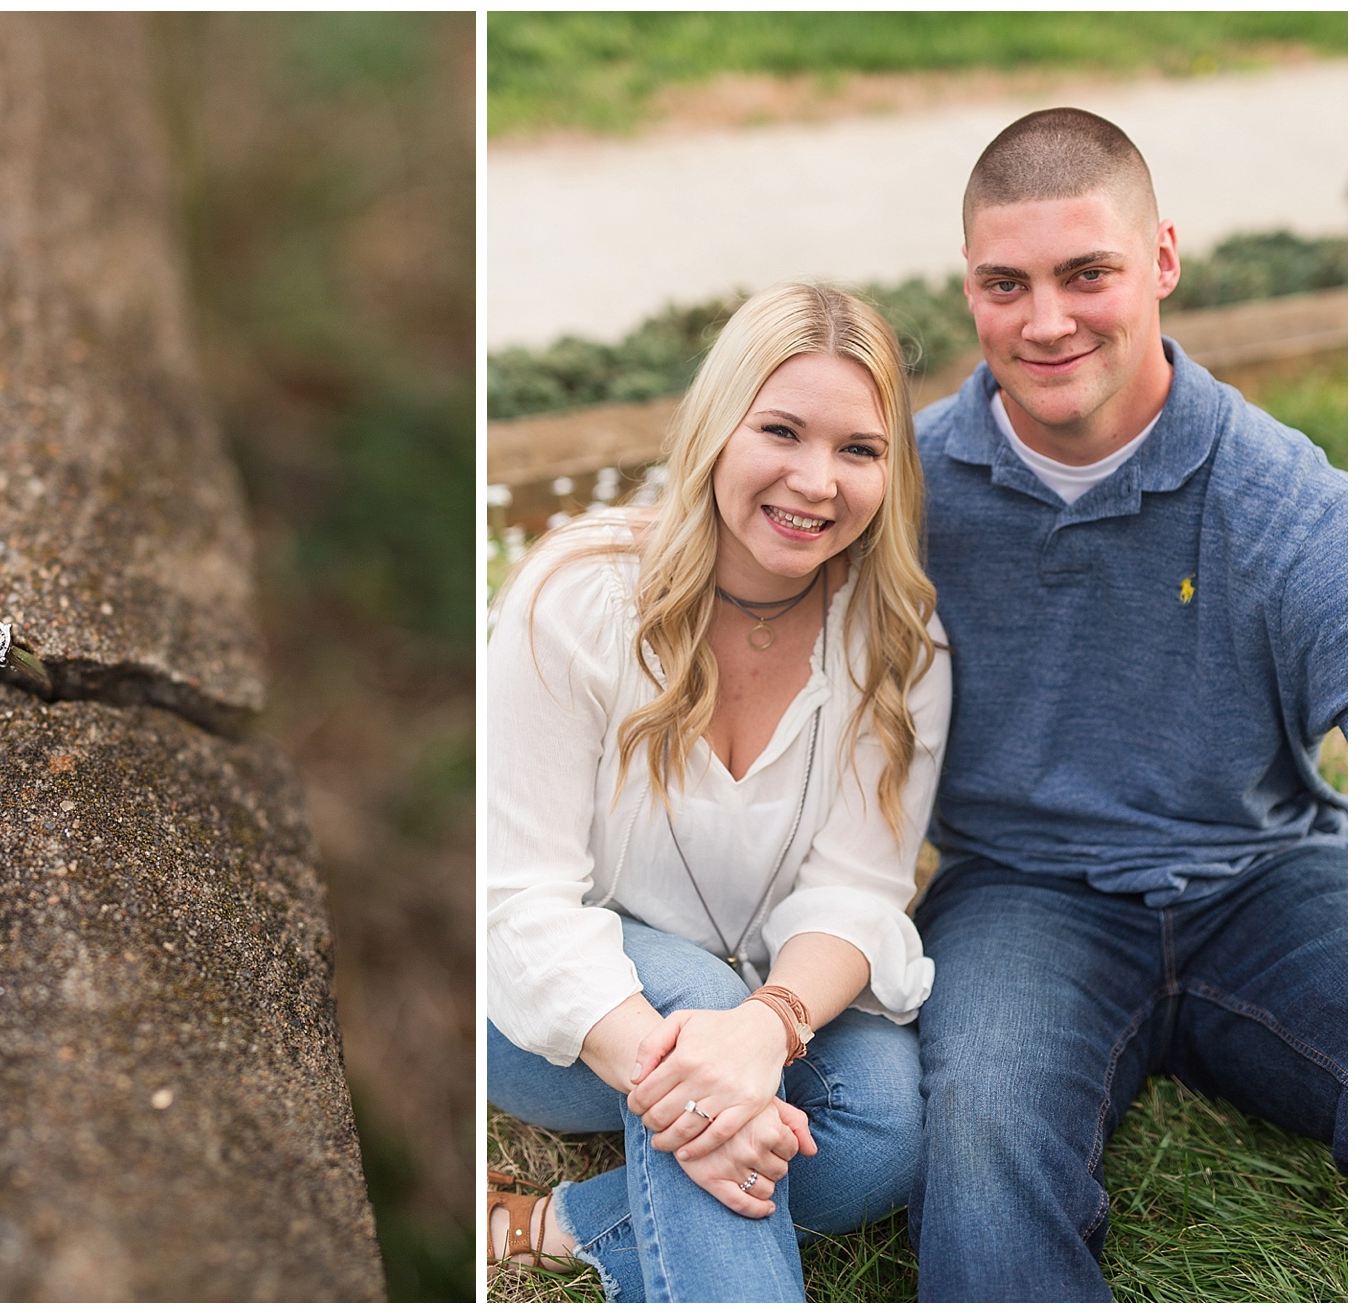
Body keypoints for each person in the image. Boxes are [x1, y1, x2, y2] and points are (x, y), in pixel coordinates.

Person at [909, 107, 1347, 1301]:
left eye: (1086, 273)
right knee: (982, 1135)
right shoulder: (900, 488)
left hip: (1267, 876)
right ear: (972, 291)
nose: (1046, 322)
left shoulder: (1280, 494)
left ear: (1161, 261)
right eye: (1008, 284)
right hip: (1019, 897)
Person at [486, 283, 951, 1302]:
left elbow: (858, 891)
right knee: (693, 996)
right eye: (780, 431)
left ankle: (560, 1225)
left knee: (883, 1130)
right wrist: (695, 1064)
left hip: (768, 1005)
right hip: (557, 1014)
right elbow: (517, 903)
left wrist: (765, 1028)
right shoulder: (577, 599)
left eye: (859, 450)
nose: (816, 481)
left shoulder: (900, 644)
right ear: (715, 430)